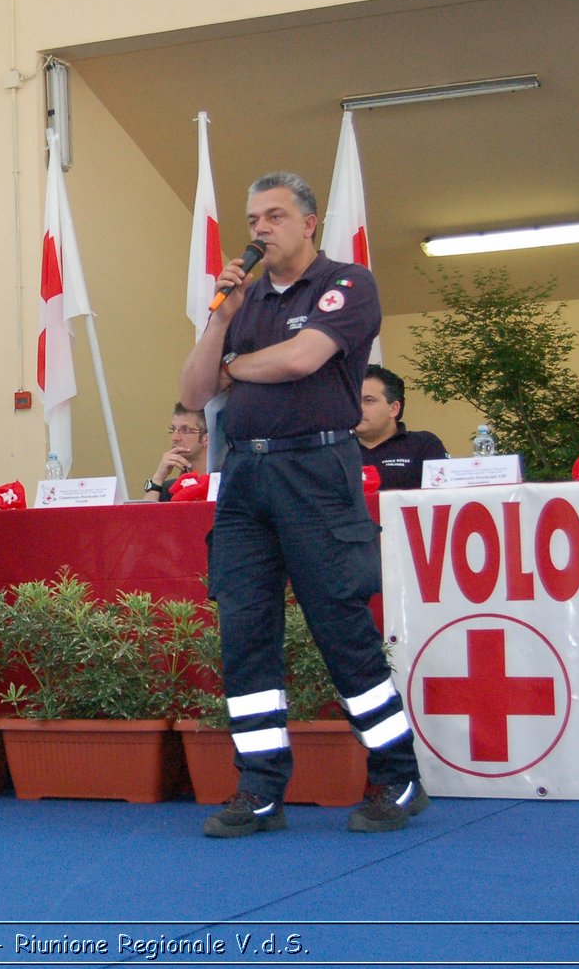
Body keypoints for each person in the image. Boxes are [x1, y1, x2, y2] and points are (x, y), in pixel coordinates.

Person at [179, 171, 426, 837]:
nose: (260, 229)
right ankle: (259, 789)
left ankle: (398, 777)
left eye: (275, 216)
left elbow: (303, 359)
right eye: (254, 218)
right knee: (245, 637)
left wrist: (241, 365)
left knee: (341, 630)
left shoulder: (347, 283)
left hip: (317, 470)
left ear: (309, 222)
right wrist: (221, 322)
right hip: (245, 476)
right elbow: (195, 389)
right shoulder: (248, 301)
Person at [357, 364, 449, 490]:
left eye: (369, 400)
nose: (358, 408)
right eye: (354, 401)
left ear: (393, 409)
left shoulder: (423, 445)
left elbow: (441, 496)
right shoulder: (335, 450)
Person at [141, 404, 208, 500]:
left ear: (206, 438)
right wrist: (157, 479)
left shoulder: (226, 485)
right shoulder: (168, 489)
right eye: (172, 430)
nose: (175, 438)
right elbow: (144, 514)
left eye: (185, 430)